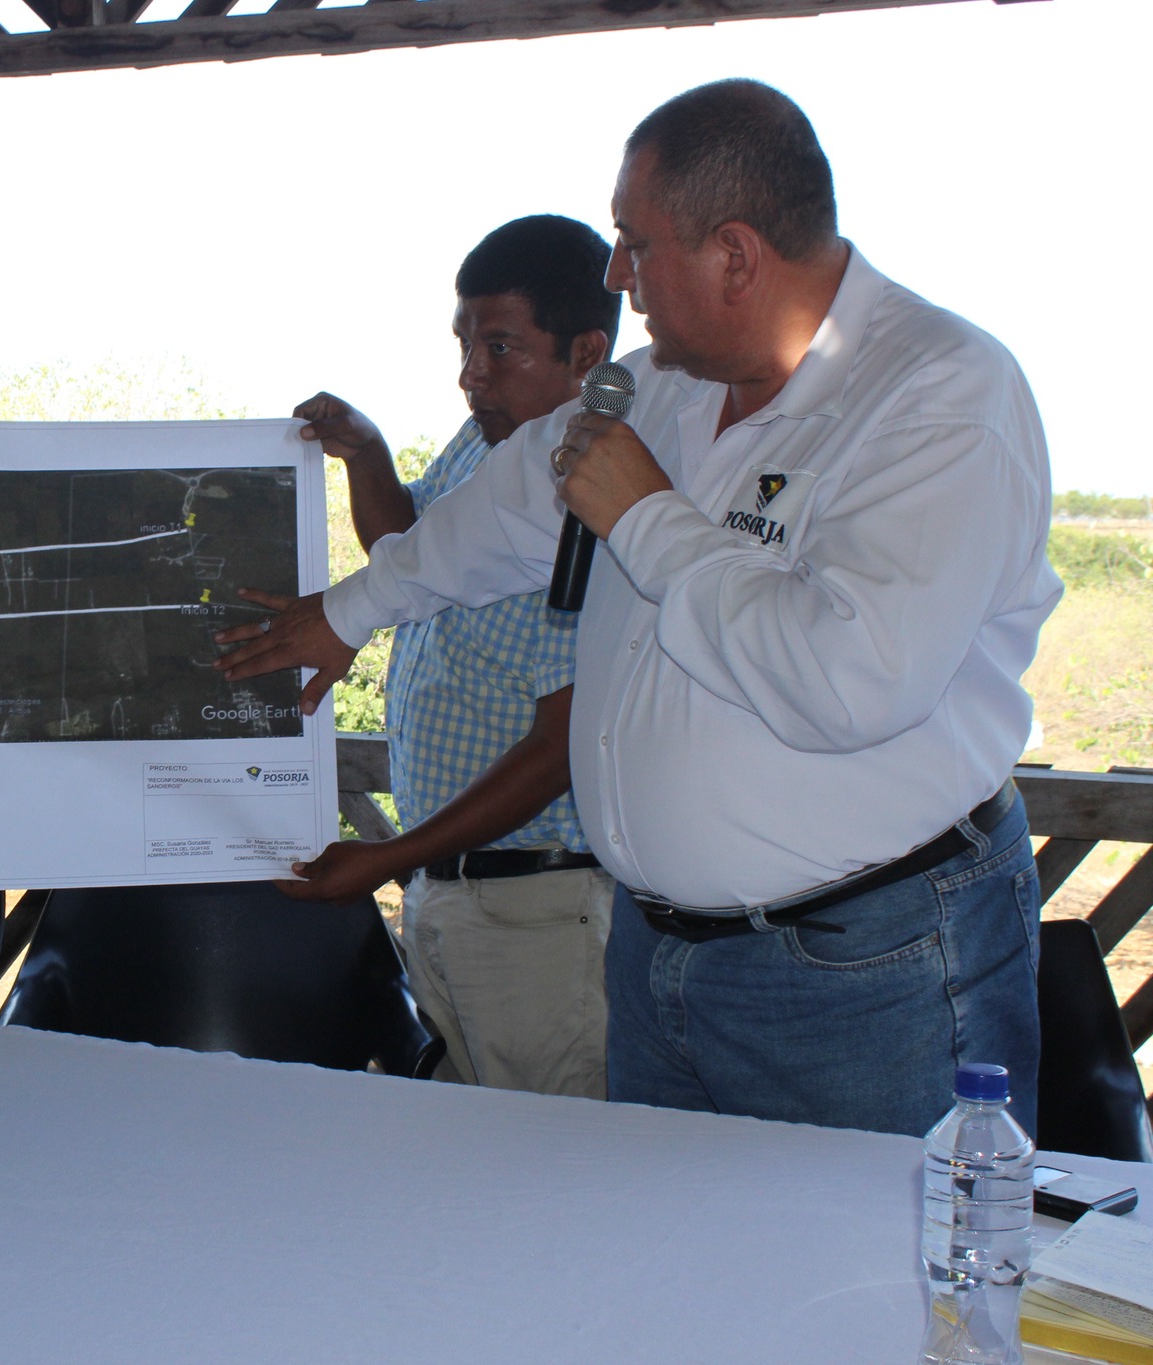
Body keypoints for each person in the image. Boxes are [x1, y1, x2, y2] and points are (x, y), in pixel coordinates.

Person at [215, 80, 1059, 1138]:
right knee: (666, 1242)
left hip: (862, 966)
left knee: (875, 1243)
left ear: (735, 255)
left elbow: (848, 683)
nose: (617, 275)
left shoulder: (939, 398)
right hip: (654, 954)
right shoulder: (660, 384)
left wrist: (647, 516)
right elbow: (503, 510)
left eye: (635, 243)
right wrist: (348, 614)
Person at [278, 216, 619, 1098]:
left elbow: (559, 747)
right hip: (453, 897)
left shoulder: (597, 496)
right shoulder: (485, 442)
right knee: (465, 1153)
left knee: (548, 1164)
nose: (471, 373)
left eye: (500, 347)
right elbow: (407, 554)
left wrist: (391, 855)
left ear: (587, 353)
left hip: (538, 914)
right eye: (464, 345)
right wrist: (367, 455)